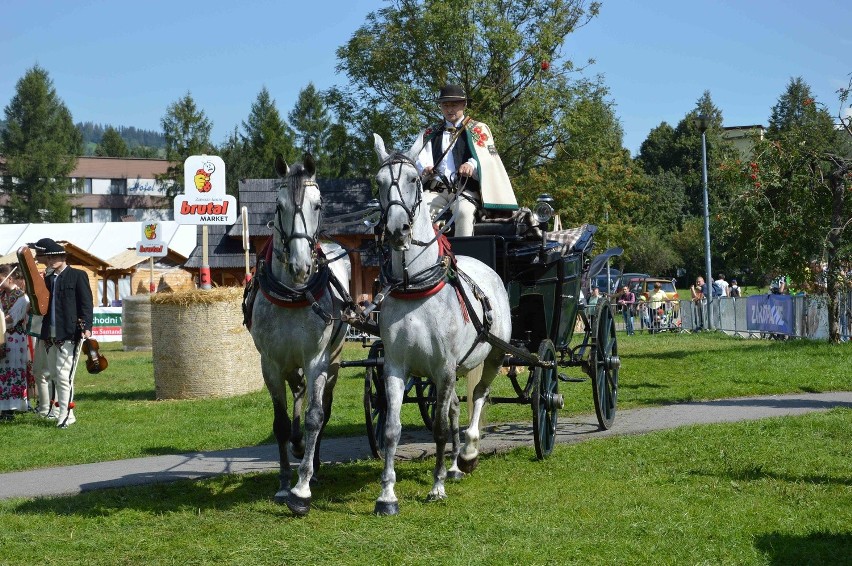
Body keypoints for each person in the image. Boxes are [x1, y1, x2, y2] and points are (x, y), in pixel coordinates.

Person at [415, 84, 517, 236]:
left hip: (464, 191)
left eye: (454, 105)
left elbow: (486, 158)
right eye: (445, 105)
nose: (449, 110)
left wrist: (471, 165)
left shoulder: (478, 129)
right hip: (436, 191)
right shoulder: (431, 132)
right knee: (417, 210)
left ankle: (463, 256)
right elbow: (420, 158)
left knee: (463, 212)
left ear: (464, 104)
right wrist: (425, 168)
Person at [30, 238, 94, 429]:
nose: (51, 260)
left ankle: (66, 415)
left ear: (63, 257)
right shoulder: (48, 280)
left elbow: (86, 304)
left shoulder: (77, 275)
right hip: (49, 335)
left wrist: (87, 327)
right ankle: (60, 411)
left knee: (64, 375)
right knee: (54, 376)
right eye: (49, 257)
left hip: (70, 333)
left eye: (55, 257)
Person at [1, 265, 31, 420]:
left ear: (9, 278)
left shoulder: (21, 297)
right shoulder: (1, 295)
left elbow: (12, 318)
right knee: (2, 370)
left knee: (12, 369)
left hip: (14, 338)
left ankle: (12, 407)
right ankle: (3, 406)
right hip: (2, 336)